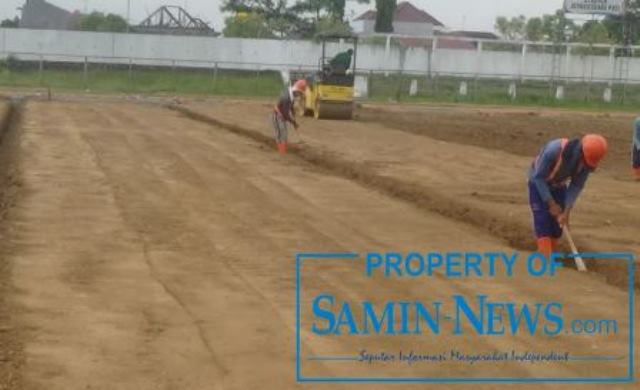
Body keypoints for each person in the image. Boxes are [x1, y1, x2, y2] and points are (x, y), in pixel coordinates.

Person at [528, 134, 608, 257]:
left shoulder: (587, 164)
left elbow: (576, 185)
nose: (587, 165)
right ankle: (545, 258)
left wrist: (566, 211)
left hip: (559, 185)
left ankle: (551, 254)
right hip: (538, 183)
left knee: (557, 226)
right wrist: (551, 203)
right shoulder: (553, 151)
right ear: (581, 151)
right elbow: (538, 178)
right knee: (543, 220)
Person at [272, 79, 307, 154]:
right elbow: (285, 114)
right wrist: (293, 122)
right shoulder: (286, 97)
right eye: (300, 93)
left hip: (281, 114)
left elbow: (291, 107)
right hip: (278, 115)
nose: (300, 95)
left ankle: (281, 150)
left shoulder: (291, 93)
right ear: (297, 90)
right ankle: (282, 152)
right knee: (282, 134)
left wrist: (293, 114)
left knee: (281, 134)